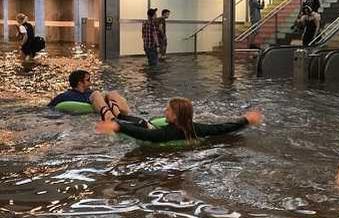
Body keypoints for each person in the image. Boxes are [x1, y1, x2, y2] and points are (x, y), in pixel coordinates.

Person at [95, 97, 263, 143]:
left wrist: (117, 127)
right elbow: (222, 128)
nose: (164, 111)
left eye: (167, 109)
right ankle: (113, 105)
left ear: (175, 116)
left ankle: (107, 104)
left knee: (117, 115)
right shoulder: (196, 128)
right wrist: (245, 120)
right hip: (146, 125)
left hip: (144, 125)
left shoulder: (168, 133)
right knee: (120, 113)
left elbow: (146, 135)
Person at [48, 70, 132, 121]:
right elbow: (49, 108)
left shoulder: (90, 92)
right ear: (80, 82)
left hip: (103, 109)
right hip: (85, 117)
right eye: (88, 80)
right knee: (96, 93)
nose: (90, 83)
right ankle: (110, 118)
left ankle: (125, 116)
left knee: (112, 93)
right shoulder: (65, 96)